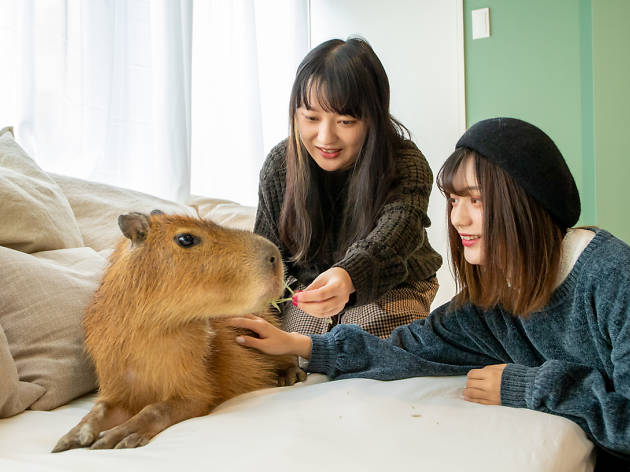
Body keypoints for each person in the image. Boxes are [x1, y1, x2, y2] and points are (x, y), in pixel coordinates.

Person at [233, 118, 630, 467]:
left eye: (477, 200)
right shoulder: (492, 302)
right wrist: (301, 345)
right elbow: (410, 348)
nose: (458, 218)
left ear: (524, 203)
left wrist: (527, 386)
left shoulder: (613, 277)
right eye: (454, 200)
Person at [255, 37, 442, 338]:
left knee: (368, 336)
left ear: (373, 119)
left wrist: (348, 275)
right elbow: (267, 251)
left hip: (392, 282)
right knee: (297, 345)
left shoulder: (405, 162)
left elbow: (397, 232)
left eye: (345, 121)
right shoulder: (280, 164)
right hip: (307, 286)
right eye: (311, 118)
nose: (325, 137)